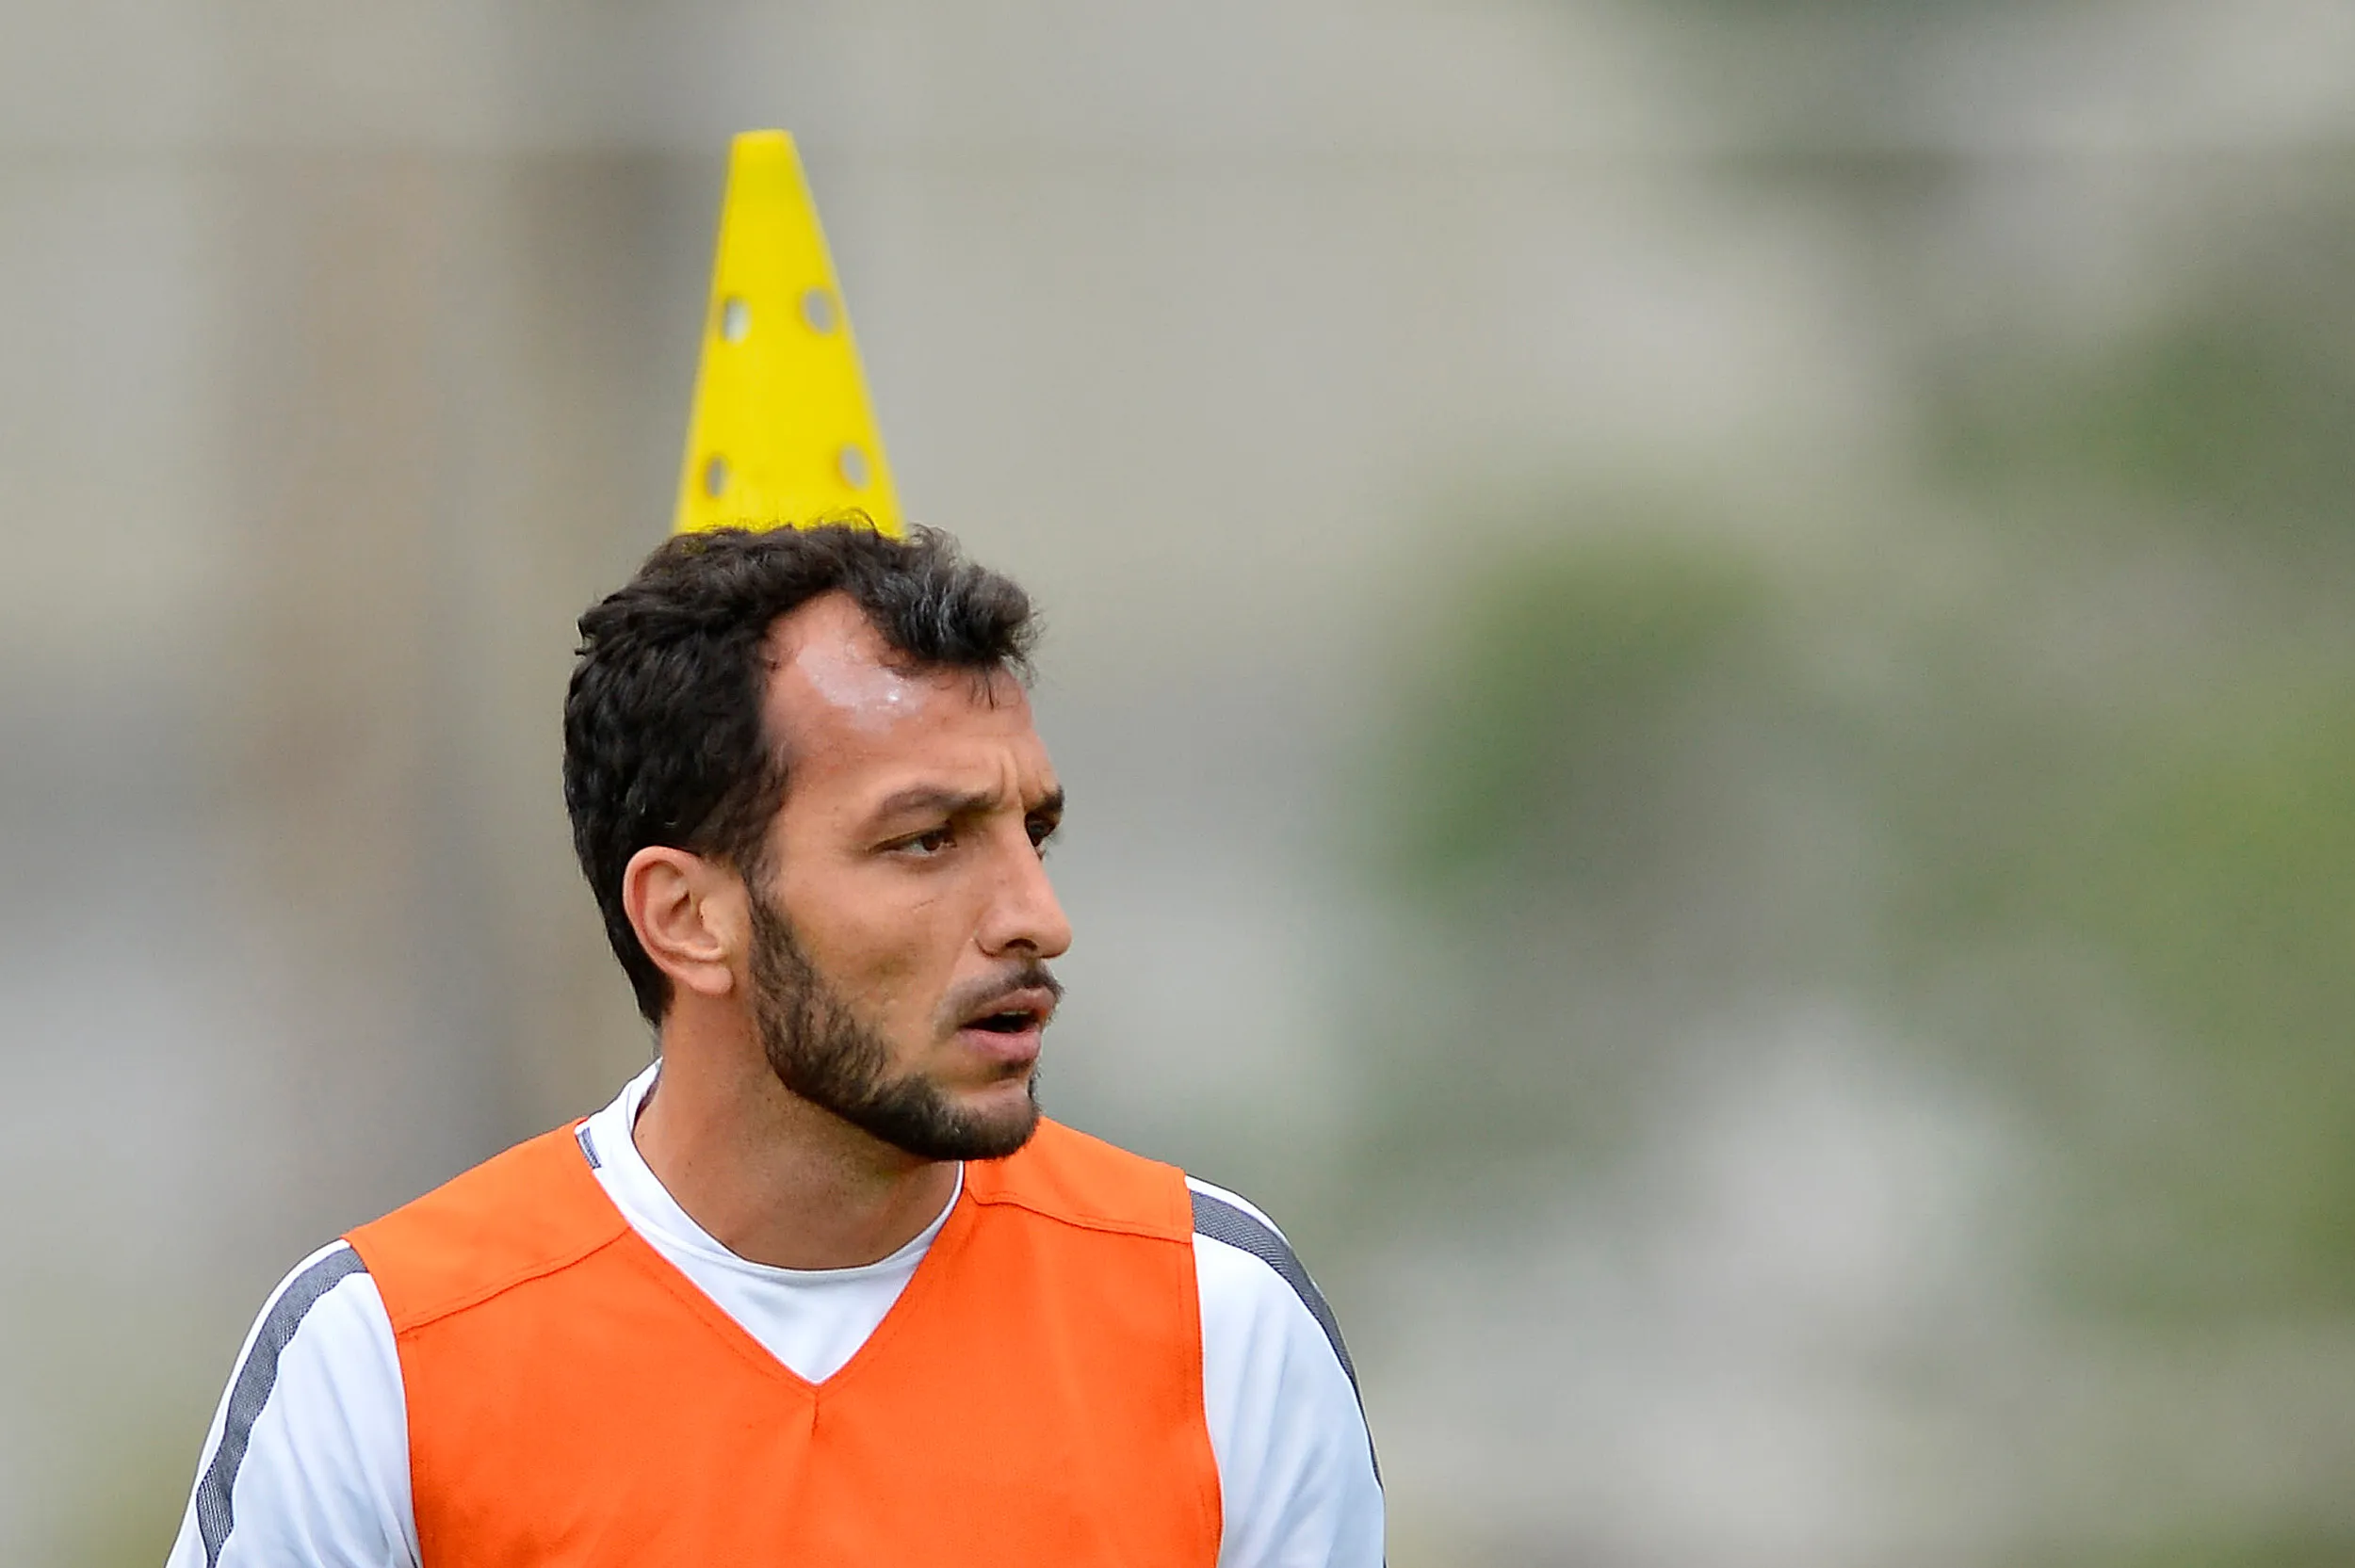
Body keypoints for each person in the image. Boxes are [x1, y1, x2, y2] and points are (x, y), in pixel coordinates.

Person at [165, 522, 1383, 1566]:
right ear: (689, 919)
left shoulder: (1217, 1313)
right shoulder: (384, 1353)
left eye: (1032, 833)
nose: (1036, 917)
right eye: (926, 841)